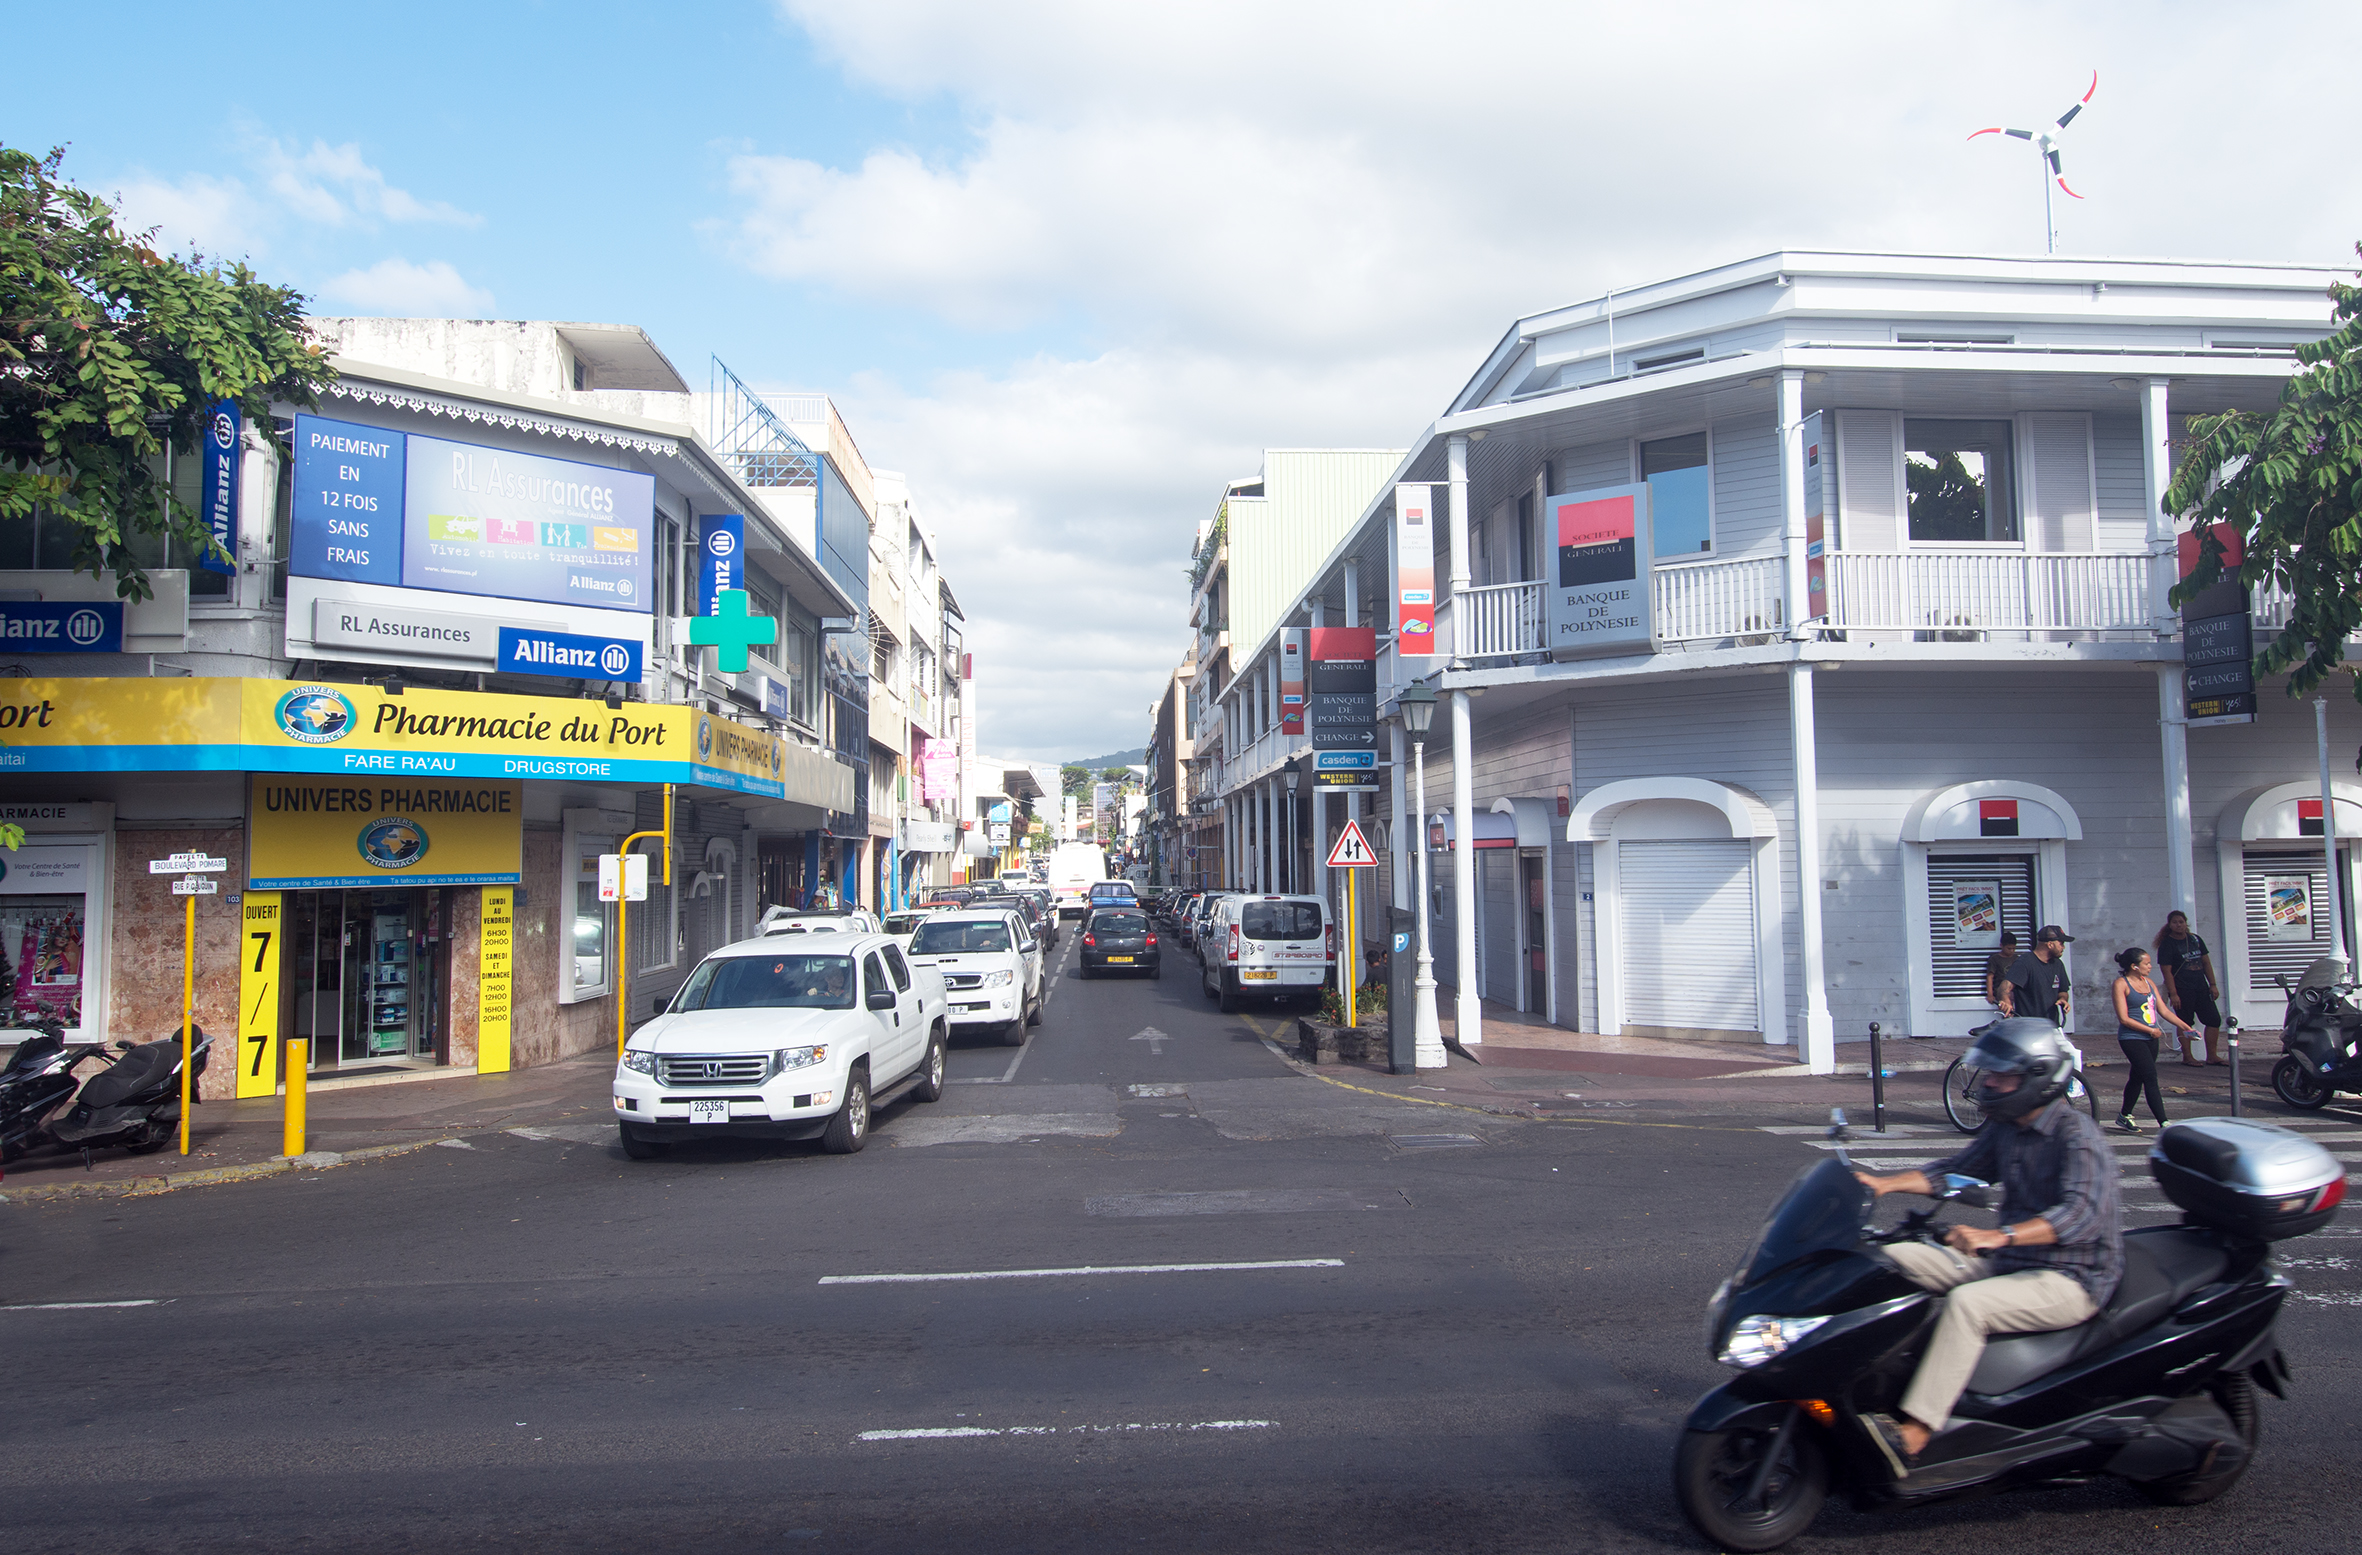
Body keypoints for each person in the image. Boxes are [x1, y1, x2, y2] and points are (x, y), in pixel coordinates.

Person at [1854, 1019, 2123, 1476]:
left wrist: (1996, 1236)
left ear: (2038, 1078)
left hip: (2071, 1277)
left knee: (1967, 1305)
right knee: (1887, 1260)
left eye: (2002, 1075)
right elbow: (1957, 1172)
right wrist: (1881, 1185)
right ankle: (1868, 1381)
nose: (1990, 1083)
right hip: (2013, 1262)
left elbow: (2082, 1215)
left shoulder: (2077, 1137)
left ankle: (1917, 1432)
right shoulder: (2007, 1126)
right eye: (1990, 1073)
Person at [2110, 946, 2193, 1133]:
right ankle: (2163, 1122)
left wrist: (2185, 1027)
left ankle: (2124, 1115)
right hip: (2132, 1037)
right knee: (2150, 1077)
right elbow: (2124, 1018)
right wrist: (2150, 1030)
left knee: (2137, 1076)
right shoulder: (2121, 984)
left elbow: (2162, 1010)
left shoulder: (2148, 983)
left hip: (2151, 1037)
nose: (2150, 966)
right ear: (2134, 966)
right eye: (2146, 963)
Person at [1999, 925, 2086, 1099]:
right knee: (2033, 1071)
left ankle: (2069, 1093)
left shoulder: (2057, 965)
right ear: (2050, 944)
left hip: (2051, 1025)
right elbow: (2005, 986)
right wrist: (2006, 1002)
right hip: (2029, 1026)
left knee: (2071, 1056)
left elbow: (2063, 990)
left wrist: (2063, 999)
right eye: (2061, 943)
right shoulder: (2026, 962)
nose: (2063, 947)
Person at [2153, 910, 2226, 1066]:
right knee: (2185, 1022)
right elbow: (2166, 970)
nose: (2178, 925)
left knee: (2214, 1020)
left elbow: (2206, 962)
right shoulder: (2168, 944)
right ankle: (2188, 1056)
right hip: (2182, 988)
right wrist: (2173, 994)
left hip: (2201, 986)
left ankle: (2212, 1055)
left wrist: (2212, 985)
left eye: (2181, 922)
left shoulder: (2195, 940)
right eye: (2175, 922)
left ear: (2186, 923)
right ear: (2170, 925)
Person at [1982, 931, 2021, 1009]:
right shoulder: (1995, 959)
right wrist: (1990, 994)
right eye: (2009, 948)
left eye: (2014, 948)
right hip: (2000, 991)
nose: (2012, 951)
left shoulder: (2017, 958)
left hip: (2015, 990)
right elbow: (1990, 977)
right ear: (2001, 946)